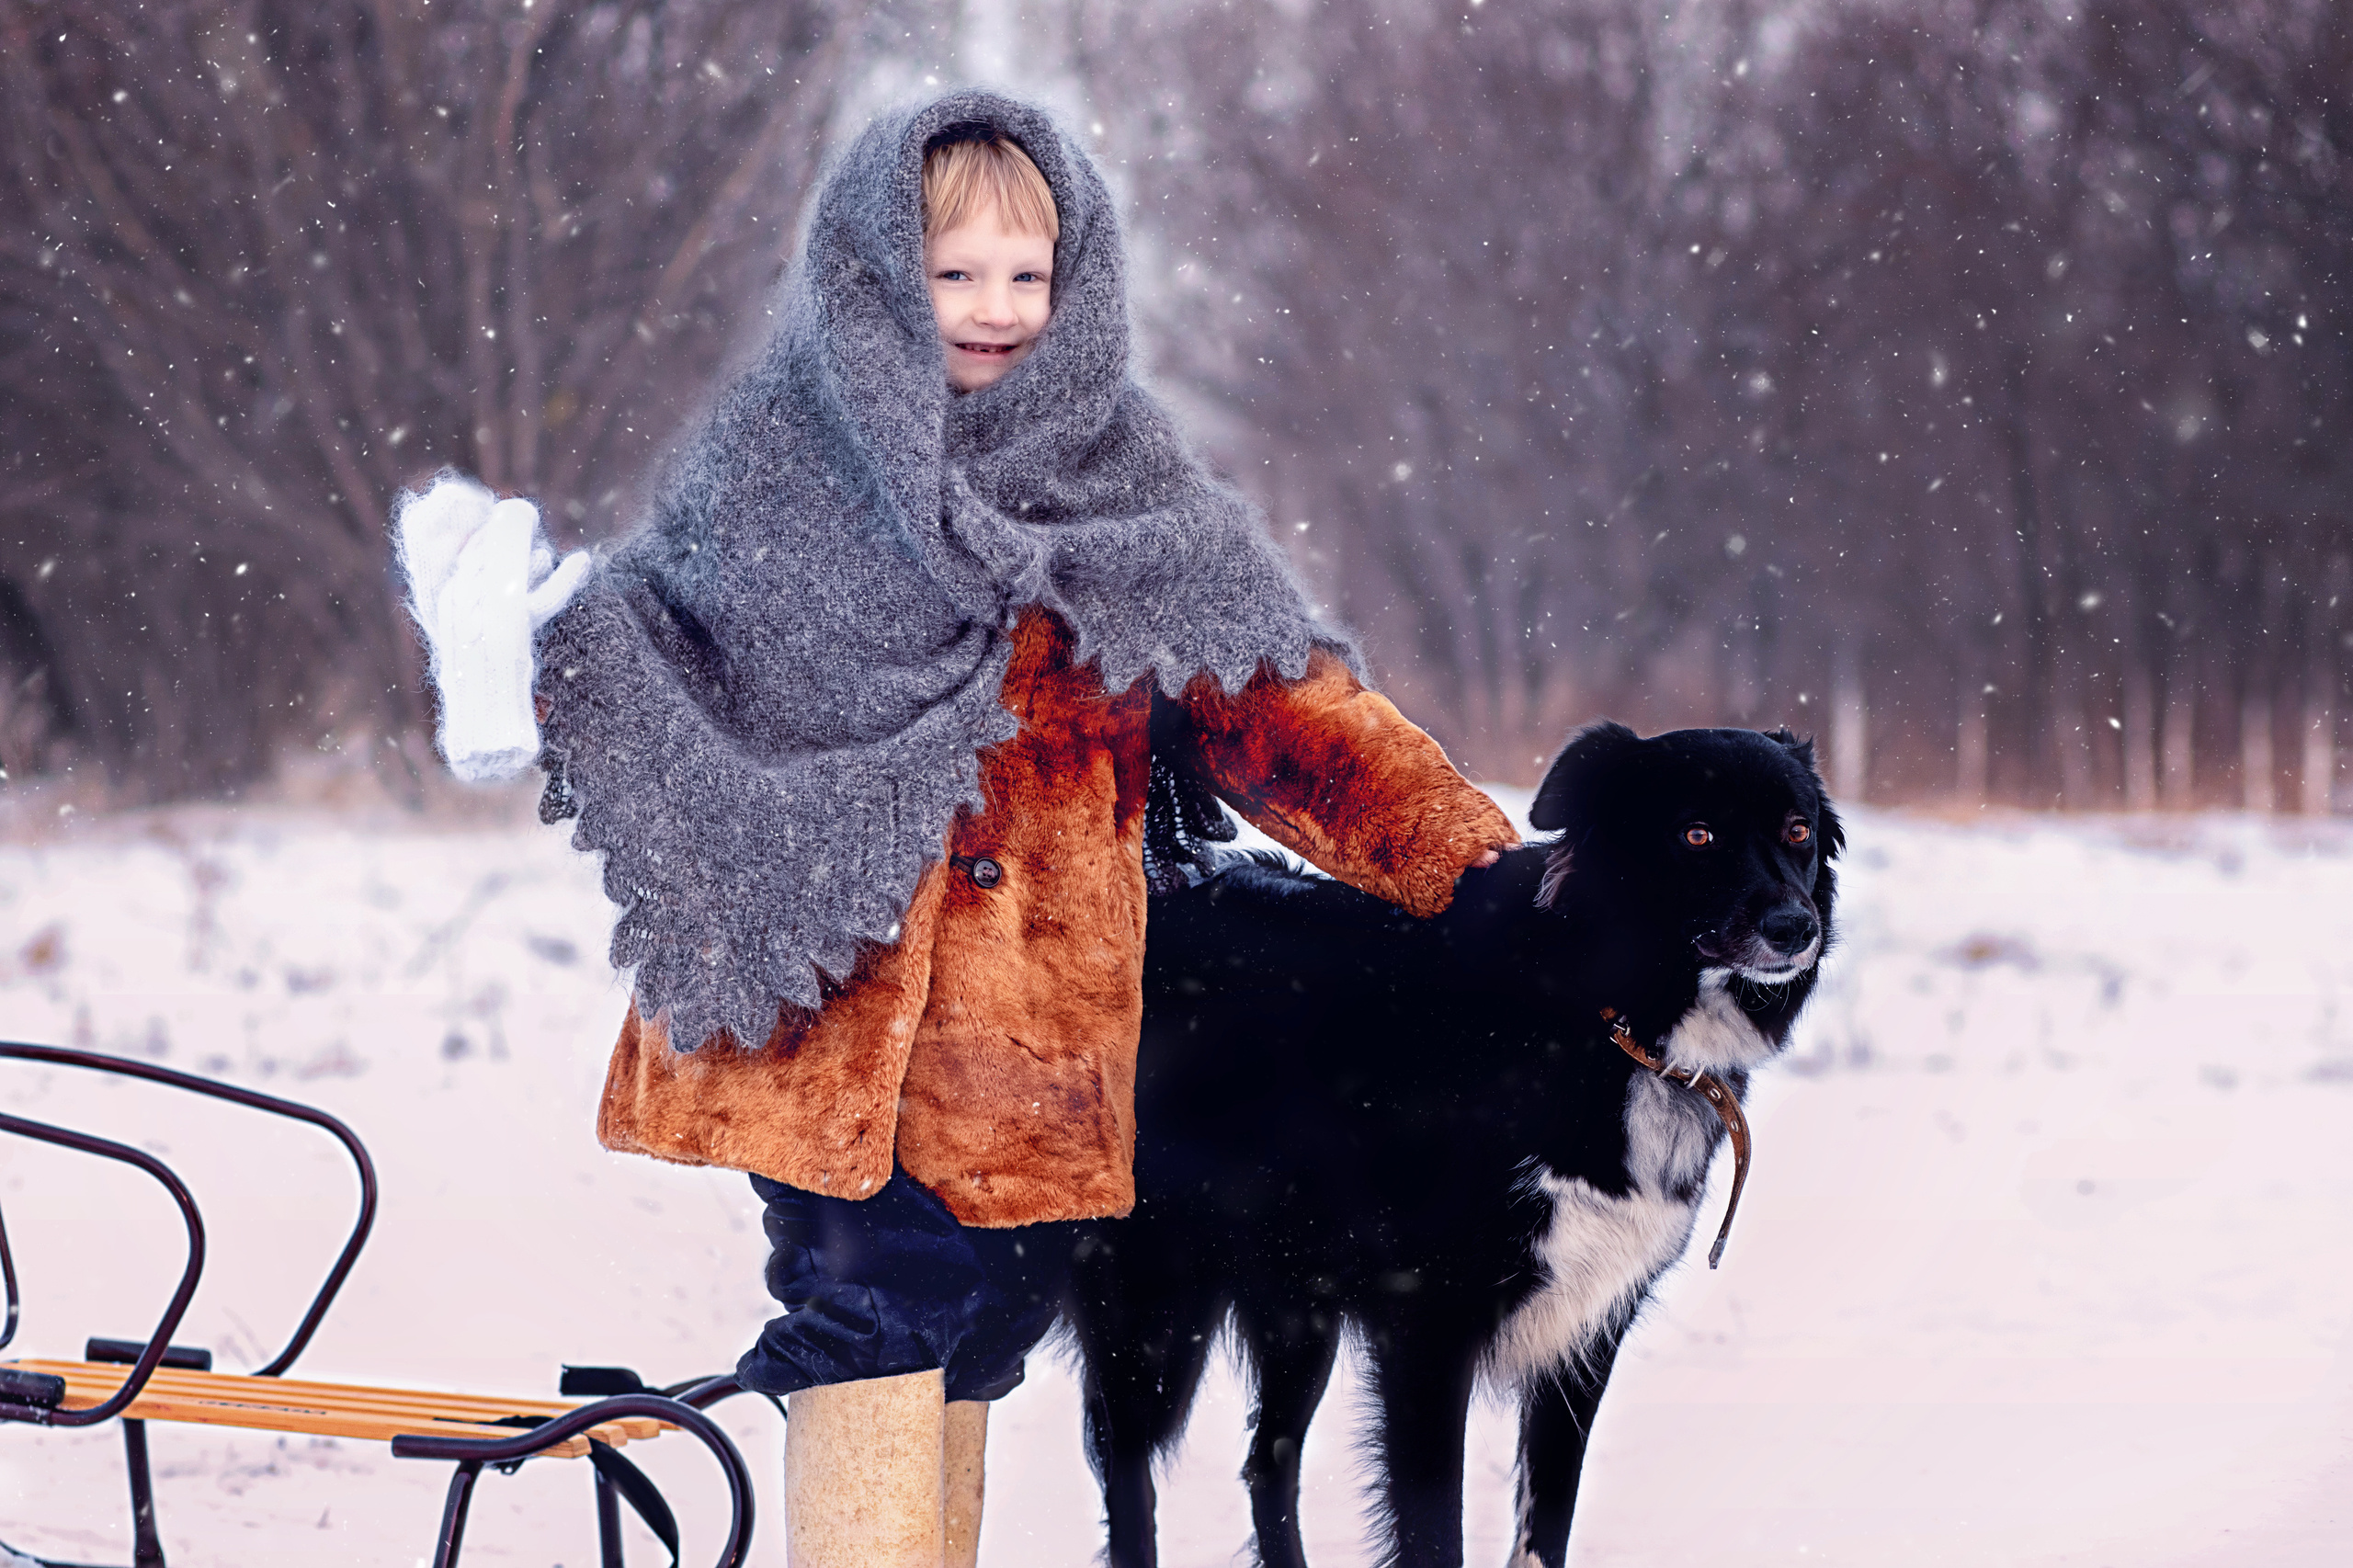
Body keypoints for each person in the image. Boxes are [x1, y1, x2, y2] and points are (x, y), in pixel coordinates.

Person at [396, 90, 1515, 1566]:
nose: (995, 309)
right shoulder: (785, 461)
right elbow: (674, 645)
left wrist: (1465, 855)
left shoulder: (1132, 493)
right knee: (875, 1309)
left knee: (989, 1323)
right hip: (828, 1015)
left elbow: (1284, 708)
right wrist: (544, 647)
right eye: (954, 272)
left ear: (1078, 282)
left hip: (1031, 1044)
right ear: (876, 277)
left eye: (1027, 275)